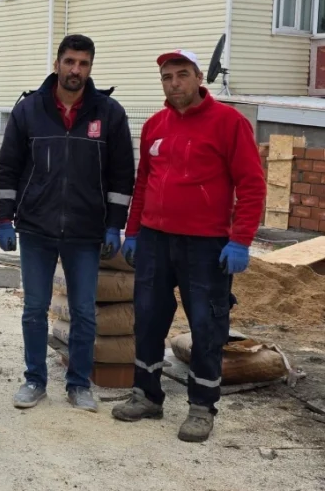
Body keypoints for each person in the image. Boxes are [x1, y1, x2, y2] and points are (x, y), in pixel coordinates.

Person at [112, 50, 266, 443]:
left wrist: (240, 240)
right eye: (167, 76)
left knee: (206, 325)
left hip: (206, 246)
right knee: (147, 319)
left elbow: (251, 184)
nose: (174, 82)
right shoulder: (155, 125)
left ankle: (201, 406)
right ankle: (146, 395)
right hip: (155, 241)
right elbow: (143, 182)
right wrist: (134, 231)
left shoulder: (228, 123)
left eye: (182, 74)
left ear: (200, 78)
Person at [0, 34, 135, 413]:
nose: (76, 70)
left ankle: (78, 384)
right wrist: (4, 218)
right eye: (70, 62)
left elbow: (123, 175)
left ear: (90, 67)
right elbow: (8, 167)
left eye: (84, 64)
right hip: (37, 227)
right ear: (57, 63)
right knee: (34, 309)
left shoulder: (109, 113)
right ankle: (34, 380)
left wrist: (114, 225)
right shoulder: (29, 110)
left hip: (86, 231)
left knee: (85, 311)